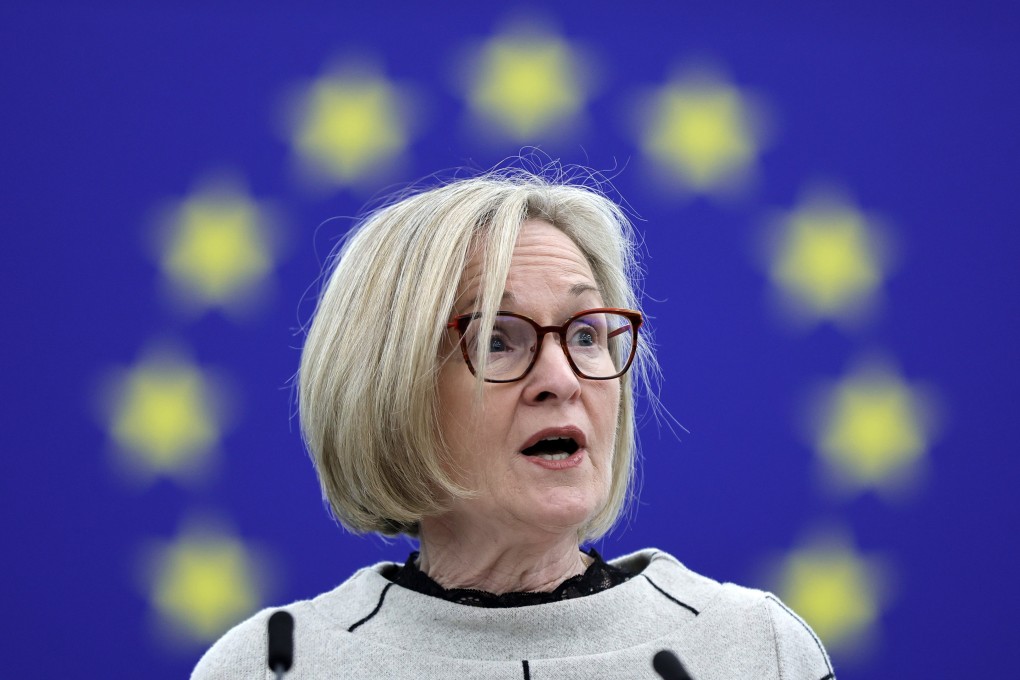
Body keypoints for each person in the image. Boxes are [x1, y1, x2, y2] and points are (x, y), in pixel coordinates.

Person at [192, 168, 834, 679]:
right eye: (498, 339)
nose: (561, 378)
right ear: (391, 386)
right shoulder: (273, 666)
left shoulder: (756, 652)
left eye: (585, 334)